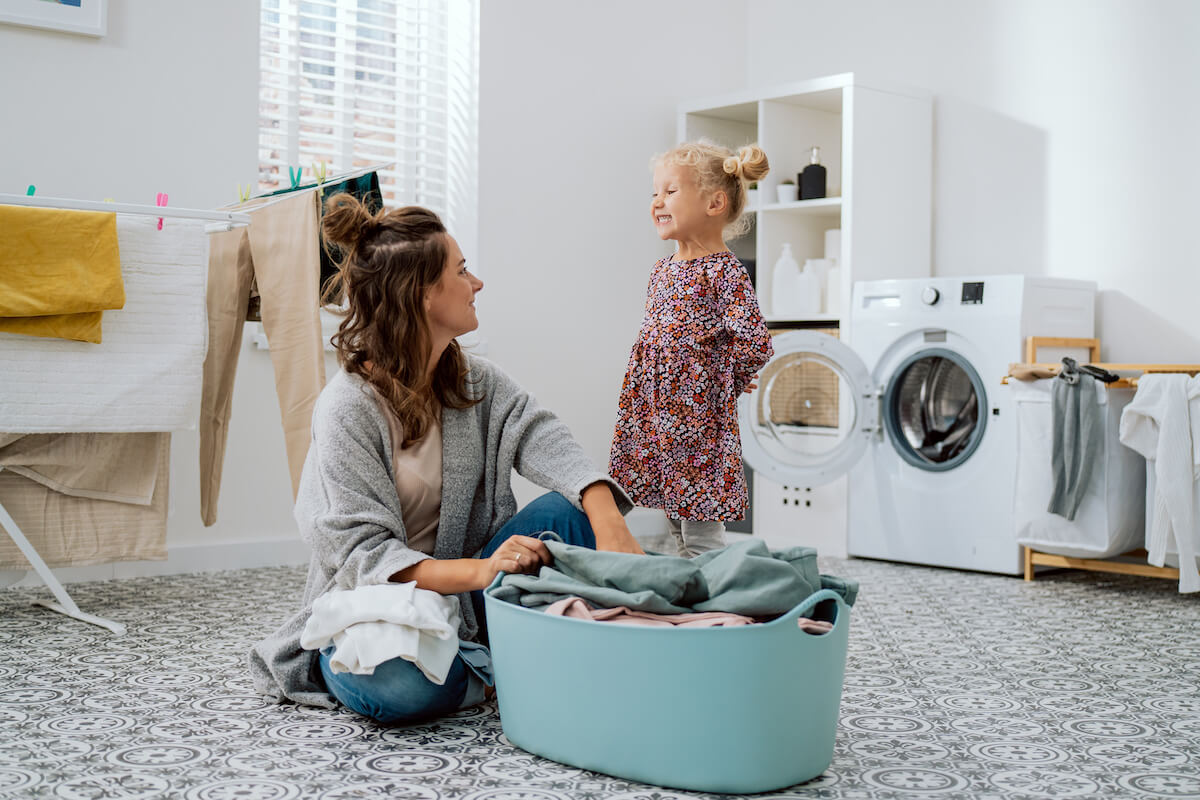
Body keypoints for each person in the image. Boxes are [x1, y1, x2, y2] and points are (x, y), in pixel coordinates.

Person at [250, 194, 643, 724]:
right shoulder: (346, 408)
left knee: (575, 512)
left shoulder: (473, 381)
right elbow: (365, 559)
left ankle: (483, 662)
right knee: (399, 688)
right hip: (376, 609)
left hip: (468, 600)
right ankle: (508, 660)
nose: (476, 283)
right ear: (422, 295)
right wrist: (486, 570)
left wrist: (606, 516)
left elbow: (541, 434)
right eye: (462, 271)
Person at [609, 140, 774, 558]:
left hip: (697, 415)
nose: (658, 201)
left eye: (670, 191)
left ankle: (711, 583)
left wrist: (723, 379)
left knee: (699, 515)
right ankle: (687, 583)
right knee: (672, 508)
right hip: (655, 410)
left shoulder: (724, 270)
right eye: (654, 193)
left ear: (714, 203)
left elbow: (754, 340)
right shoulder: (662, 269)